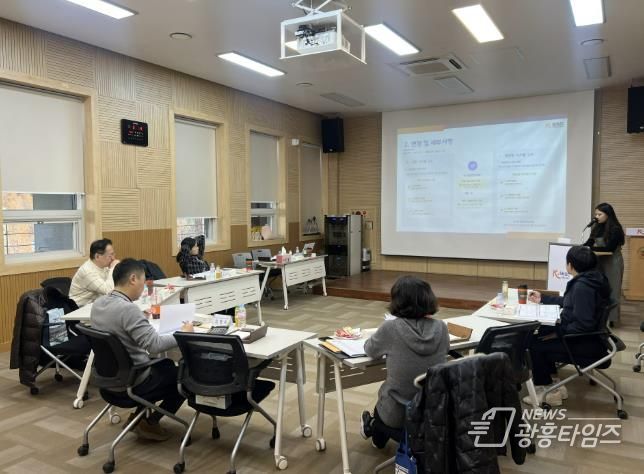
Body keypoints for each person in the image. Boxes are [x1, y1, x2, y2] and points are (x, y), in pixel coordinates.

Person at [90, 259, 193, 441]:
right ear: (133, 279)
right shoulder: (128, 310)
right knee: (184, 376)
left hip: (106, 380)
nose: (144, 287)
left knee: (166, 366)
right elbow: (154, 345)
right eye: (143, 281)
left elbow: (119, 327)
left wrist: (140, 318)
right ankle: (150, 422)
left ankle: (138, 419)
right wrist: (182, 334)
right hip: (134, 382)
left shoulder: (99, 304)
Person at [360, 275, 449, 449]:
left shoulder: (390, 328)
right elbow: (444, 351)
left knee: (383, 404)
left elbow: (369, 350)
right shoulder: (441, 327)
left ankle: (375, 432)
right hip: (433, 412)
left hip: (398, 414)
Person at [526, 245, 610, 407]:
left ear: (570, 265)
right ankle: (554, 385)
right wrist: (543, 298)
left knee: (535, 344)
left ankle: (549, 392)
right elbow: (570, 302)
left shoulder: (582, 287)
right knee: (542, 333)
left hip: (586, 342)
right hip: (592, 338)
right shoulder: (593, 279)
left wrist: (558, 332)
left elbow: (583, 325)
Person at [583, 202, 625, 324]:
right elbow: (589, 243)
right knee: (598, 289)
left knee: (613, 290)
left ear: (608, 215)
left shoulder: (616, 229)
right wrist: (581, 247)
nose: (596, 217)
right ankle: (598, 316)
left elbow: (609, 248)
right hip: (599, 261)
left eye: (599, 214)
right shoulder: (597, 228)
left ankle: (611, 319)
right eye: (595, 214)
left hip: (613, 262)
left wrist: (590, 249)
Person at [69, 238, 120, 307]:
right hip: (79, 308)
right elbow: (109, 291)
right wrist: (113, 268)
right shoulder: (87, 271)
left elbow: (117, 284)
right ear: (97, 256)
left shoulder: (103, 266)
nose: (113, 258)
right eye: (110, 255)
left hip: (95, 305)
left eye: (113, 254)